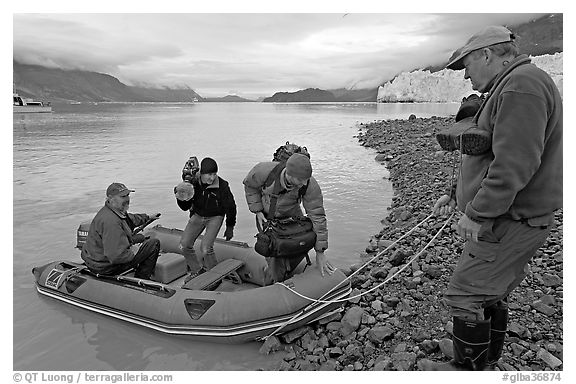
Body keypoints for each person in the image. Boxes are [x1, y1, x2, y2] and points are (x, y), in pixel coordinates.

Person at [425, 25, 562, 371]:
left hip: (512, 219)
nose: (466, 74)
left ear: (487, 55)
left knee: (464, 293)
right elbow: (485, 153)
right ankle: (485, 356)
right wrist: (454, 195)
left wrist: (477, 214)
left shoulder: (521, 87)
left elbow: (514, 164)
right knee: (490, 291)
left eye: (468, 65)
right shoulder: (510, 86)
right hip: (512, 216)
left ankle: (468, 368)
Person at [243, 153, 335, 283]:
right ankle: (273, 283)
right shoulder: (263, 171)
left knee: (300, 245)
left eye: (306, 179)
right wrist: (257, 210)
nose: (304, 184)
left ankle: (288, 270)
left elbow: (317, 215)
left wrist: (320, 252)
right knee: (275, 258)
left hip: (292, 216)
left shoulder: (309, 184)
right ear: (289, 175)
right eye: (300, 180)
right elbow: (249, 185)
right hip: (267, 217)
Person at [174, 157, 237, 283]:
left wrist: (230, 227)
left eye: (214, 174)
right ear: (201, 173)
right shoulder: (194, 183)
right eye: (209, 174)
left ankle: (215, 276)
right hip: (198, 215)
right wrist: (181, 197)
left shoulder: (222, 186)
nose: (212, 178)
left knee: (206, 248)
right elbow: (185, 208)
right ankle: (197, 271)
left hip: (216, 216)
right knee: (184, 244)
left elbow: (231, 207)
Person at [81, 183, 161, 280]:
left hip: (98, 260)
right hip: (106, 267)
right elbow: (116, 256)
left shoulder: (114, 210)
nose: (127, 199)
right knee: (153, 244)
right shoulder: (111, 222)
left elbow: (131, 219)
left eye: (128, 195)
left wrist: (148, 217)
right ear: (110, 198)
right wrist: (134, 251)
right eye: (123, 196)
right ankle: (142, 278)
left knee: (141, 238)